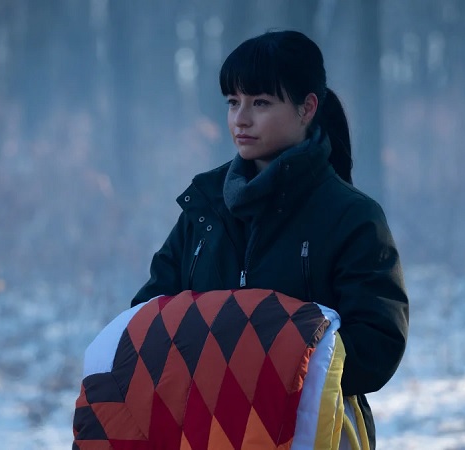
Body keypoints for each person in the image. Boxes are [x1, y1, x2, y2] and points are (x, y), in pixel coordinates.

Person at [130, 30, 408, 449]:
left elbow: (376, 345)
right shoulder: (204, 211)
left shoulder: (351, 216)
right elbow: (148, 318)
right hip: (208, 433)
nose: (240, 119)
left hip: (314, 434)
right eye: (232, 102)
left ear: (306, 108)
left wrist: (260, 366)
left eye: (260, 102)